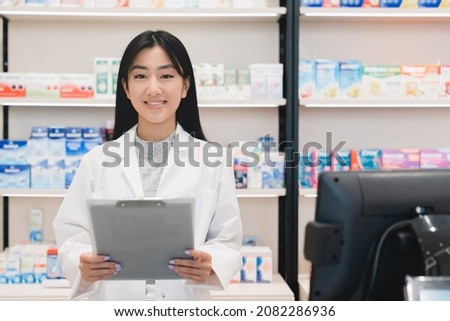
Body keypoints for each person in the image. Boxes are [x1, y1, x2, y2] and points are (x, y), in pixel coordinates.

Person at [53, 30, 243, 300]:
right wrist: (81, 260)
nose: (154, 88)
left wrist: (210, 263)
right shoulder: (96, 161)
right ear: (126, 88)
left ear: (186, 86)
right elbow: (71, 235)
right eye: (141, 76)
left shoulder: (213, 161)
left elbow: (228, 241)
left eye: (166, 75)